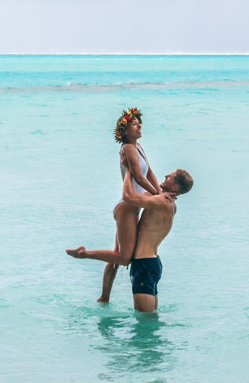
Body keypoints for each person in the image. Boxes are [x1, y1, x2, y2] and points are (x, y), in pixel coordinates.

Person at [67, 168, 194, 311]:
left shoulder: (161, 201)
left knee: (145, 321)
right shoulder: (169, 203)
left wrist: (129, 172)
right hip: (152, 263)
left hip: (144, 264)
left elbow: (128, 197)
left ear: (175, 187)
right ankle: (103, 294)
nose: (165, 176)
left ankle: (83, 254)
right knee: (150, 318)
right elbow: (150, 182)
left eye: (169, 177)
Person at [99, 107, 160, 304]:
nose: (139, 125)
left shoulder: (139, 147)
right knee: (123, 257)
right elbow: (139, 178)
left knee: (117, 255)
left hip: (133, 205)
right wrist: (157, 196)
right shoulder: (127, 148)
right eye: (134, 124)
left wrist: (160, 192)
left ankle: (104, 298)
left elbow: (149, 173)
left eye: (139, 123)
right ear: (124, 131)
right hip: (127, 206)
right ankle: (83, 254)